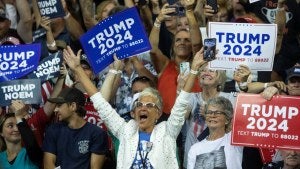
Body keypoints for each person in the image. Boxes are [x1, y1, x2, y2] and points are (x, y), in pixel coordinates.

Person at [63, 45, 199, 168]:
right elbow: (100, 103)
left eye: (150, 105)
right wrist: (77, 69)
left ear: (158, 113)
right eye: (139, 104)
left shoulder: (168, 131)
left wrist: (193, 71)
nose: (143, 108)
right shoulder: (125, 131)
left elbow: (181, 104)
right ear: (133, 112)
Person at [42, 87, 108, 169]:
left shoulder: (97, 134)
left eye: (59, 105)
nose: (55, 110)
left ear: (73, 106)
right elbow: (48, 165)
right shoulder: (52, 130)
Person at [187, 96, 243, 169]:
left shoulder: (234, 139)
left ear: (227, 120)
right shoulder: (195, 149)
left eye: (217, 113)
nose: (212, 116)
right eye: (209, 112)